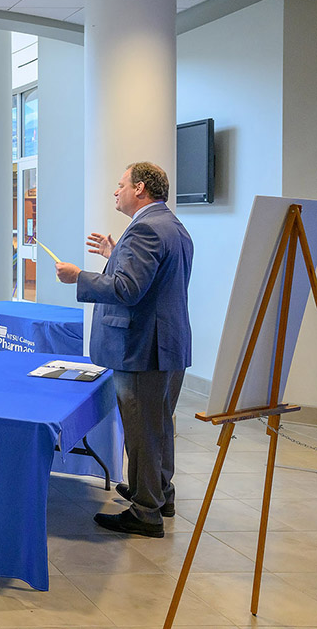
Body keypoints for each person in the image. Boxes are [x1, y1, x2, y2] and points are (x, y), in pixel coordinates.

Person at [56, 162, 193, 539]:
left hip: (142, 348)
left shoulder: (146, 228)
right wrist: (116, 255)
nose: (115, 192)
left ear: (142, 188)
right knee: (159, 425)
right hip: (167, 345)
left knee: (143, 431)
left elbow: (128, 290)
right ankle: (159, 494)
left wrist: (78, 277)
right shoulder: (171, 225)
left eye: (120, 186)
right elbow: (150, 281)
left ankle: (145, 511)